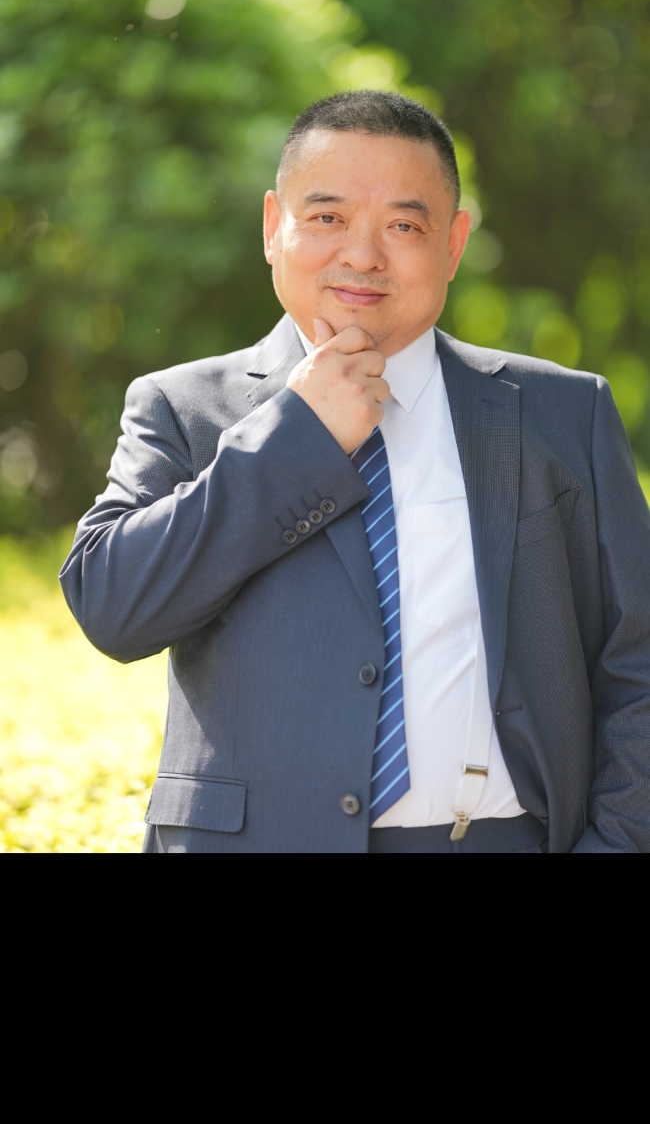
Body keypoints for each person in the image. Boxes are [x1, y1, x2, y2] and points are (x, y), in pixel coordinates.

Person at [60, 90, 650, 853]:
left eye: (403, 226)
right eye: (328, 218)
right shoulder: (183, 408)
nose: (363, 255)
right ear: (274, 227)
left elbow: (638, 660)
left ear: (453, 243)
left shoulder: (563, 413)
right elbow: (113, 609)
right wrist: (294, 438)